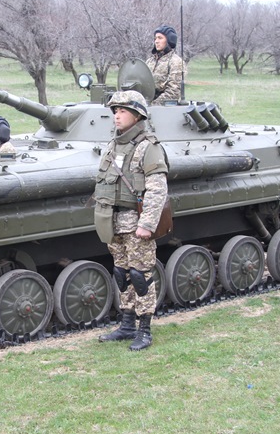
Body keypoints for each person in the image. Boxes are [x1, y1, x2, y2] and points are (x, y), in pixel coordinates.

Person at [93, 90, 169, 351]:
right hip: (113, 222)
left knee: (141, 276)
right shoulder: (113, 145)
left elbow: (157, 190)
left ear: (137, 116)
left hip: (136, 224)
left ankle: (144, 330)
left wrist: (147, 224)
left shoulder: (149, 147)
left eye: (122, 111)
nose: (117, 115)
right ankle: (126, 325)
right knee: (122, 274)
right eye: (115, 111)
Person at [145, 25, 185, 105]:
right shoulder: (150, 61)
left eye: (160, 38)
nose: (156, 41)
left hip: (164, 107)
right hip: (146, 103)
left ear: (169, 40)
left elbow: (173, 92)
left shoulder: (176, 62)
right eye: (155, 38)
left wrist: (153, 105)